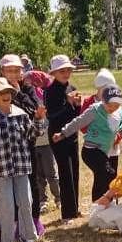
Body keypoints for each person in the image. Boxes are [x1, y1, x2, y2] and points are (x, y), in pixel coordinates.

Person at [53, 85, 122, 202]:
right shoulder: (95, 110)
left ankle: (103, 203)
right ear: (103, 100)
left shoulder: (119, 114)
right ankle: (101, 203)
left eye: (116, 105)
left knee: (103, 176)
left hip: (103, 152)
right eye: (109, 105)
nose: (112, 108)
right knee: (108, 173)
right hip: (91, 151)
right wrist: (63, 133)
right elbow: (78, 122)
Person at [0, 78, 47, 242]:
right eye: (1, 93)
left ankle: (29, 237)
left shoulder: (21, 114)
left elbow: (34, 134)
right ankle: (6, 240)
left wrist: (39, 119)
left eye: (8, 92)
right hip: (3, 169)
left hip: (22, 166)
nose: (5, 95)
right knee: (7, 204)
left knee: (26, 201)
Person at [0, 54, 44, 236]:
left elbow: (35, 109)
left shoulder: (27, 89)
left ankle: (33, 221)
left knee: (32, 183)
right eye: (9, 70)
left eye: (16, 70)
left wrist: (19, 93)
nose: (13, 74)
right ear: (2, 72)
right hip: (8, 147)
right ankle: (15, 224)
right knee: (11, 188)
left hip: (28, 143)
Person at [45, 54, 82, 223]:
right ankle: (67, 214)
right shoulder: (50, 91)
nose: (66, 73)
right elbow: (52, 115)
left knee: (74, 171)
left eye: (68, 70)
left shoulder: (72, 87)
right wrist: (67, 102)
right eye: (62, 71)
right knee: (65, 172)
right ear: (54, 73)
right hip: (57, 136)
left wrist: (77, 105)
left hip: (72, 135)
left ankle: (75, 208)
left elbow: (75, 115)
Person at [23, 70, 60, 212]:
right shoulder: (24, 100)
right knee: (38, 175)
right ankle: (42, 200)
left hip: (46, 143)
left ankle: (58, 198)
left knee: (51, 173)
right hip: (32, 143)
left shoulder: (44, 96)